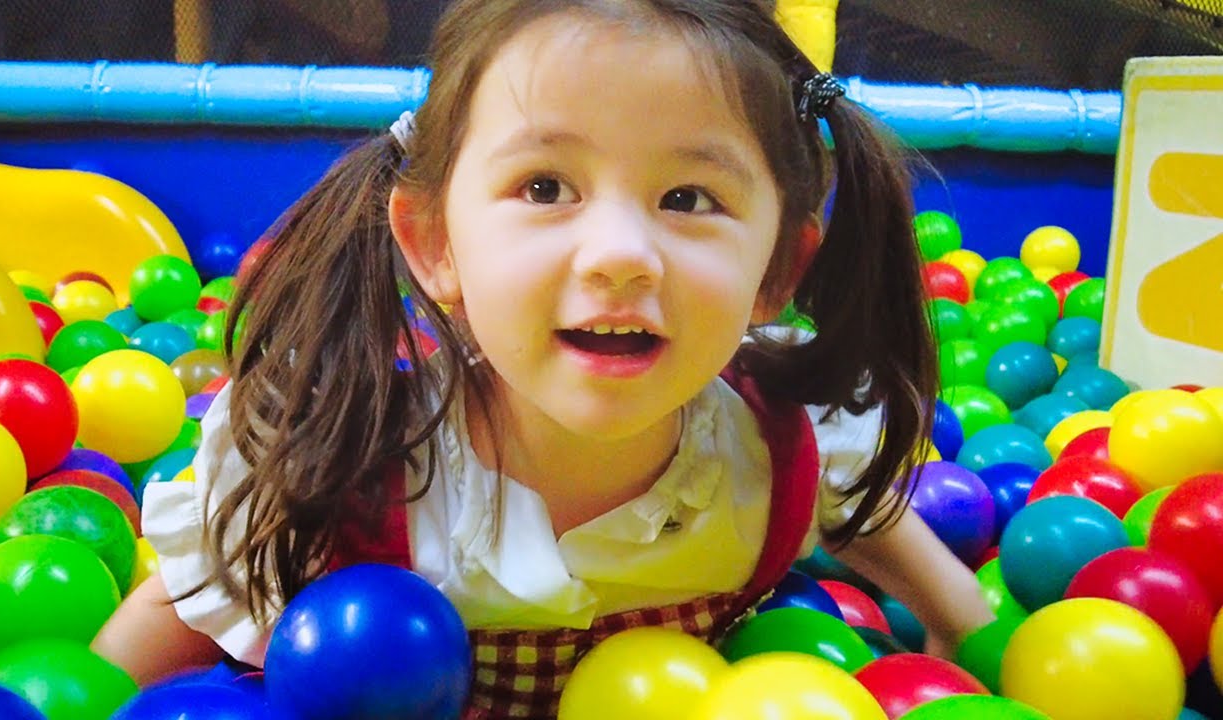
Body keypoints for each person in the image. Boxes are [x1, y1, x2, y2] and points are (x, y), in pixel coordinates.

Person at [92, 0, 993, 716]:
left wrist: (970, 644)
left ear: (776, 272)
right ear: (436, 241)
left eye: (689, 197)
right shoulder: (344, 458)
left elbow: (949, 611)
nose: (618, 253)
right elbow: (158, 631)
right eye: (545, 187)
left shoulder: (781, 450)